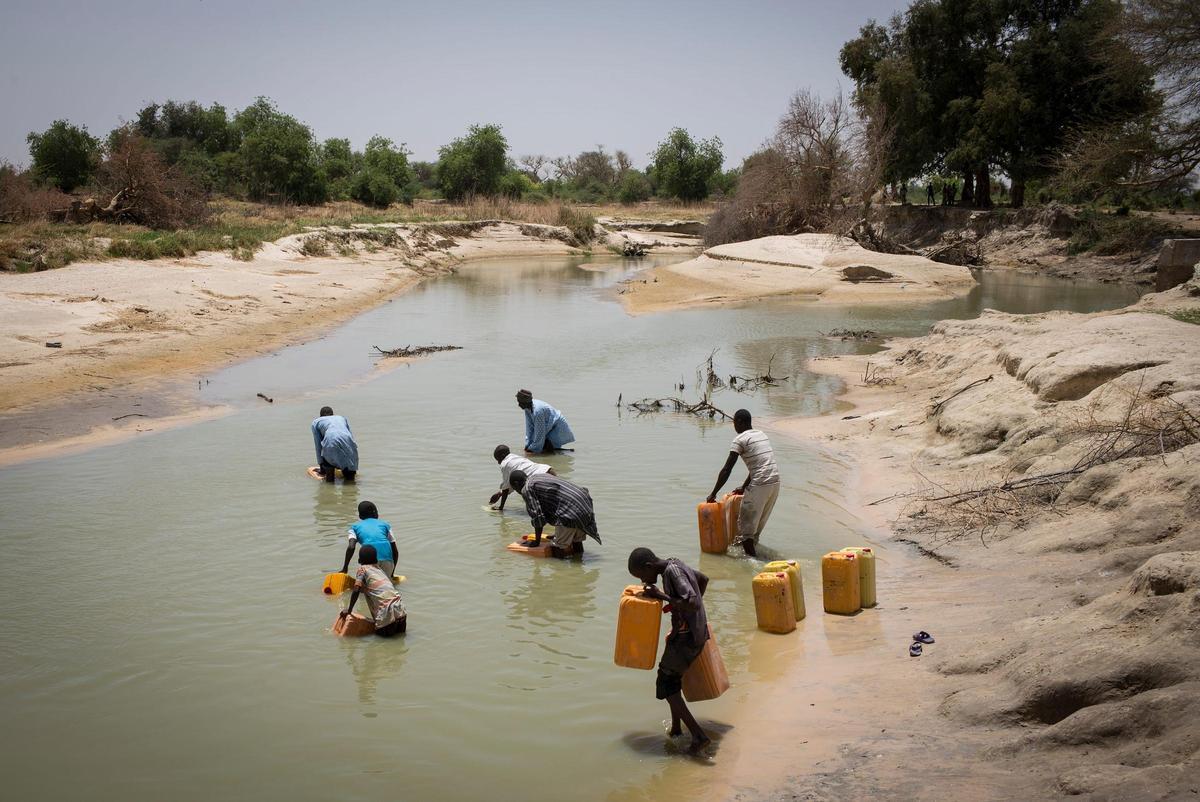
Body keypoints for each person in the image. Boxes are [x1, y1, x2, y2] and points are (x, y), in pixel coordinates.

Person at [627, 547, 711, 752]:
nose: (643, 581)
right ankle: (676, 729)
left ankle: (698, 736)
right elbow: (702, 579)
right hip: (693, 633)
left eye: (642, 576)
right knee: (672, 681)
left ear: (649, 566)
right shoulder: (675, 563)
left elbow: (691, 602)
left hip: (687, 639)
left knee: (665, 683)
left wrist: (661, 596)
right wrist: (684, 620)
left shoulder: (672, 572)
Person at [706, 409, 780, 557]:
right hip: (775, 483)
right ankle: (756, 556)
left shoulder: (739, 440)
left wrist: (713, 493)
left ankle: (754, 565)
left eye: (734, 423)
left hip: (760, 484)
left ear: (739, 422)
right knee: (755, 530)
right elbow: (759, 466)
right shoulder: (761, 435)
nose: (734, 426)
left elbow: (727, 469)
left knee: (746, 533)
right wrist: (744, 487)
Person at [509, 469, 600, 556]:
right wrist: (558, 533)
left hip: (570, 512)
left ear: (516, 484)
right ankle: (580, 566)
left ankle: (560, 571)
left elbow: (537, 517)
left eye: (515, 489)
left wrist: (536, 542)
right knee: (576, 541)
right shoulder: (539, 476)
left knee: (557, 546)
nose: (518, 492)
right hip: (584, 506)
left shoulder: (527, 488)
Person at [339, 545, 407, 637]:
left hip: (386, 613)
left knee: (382, 644)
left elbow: (356, 589)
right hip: (400, 609)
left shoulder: (362, 569)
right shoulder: (379, 570)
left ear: (359, 561)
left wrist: (349, 610)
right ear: (376, 560)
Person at [340, 501, 398, 578]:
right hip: (387, 561)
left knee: (368, 585)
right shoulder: (385, 525)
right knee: (386, 584)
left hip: (368, 561)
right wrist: (392, 573)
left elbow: (351, 547)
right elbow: (395, 551)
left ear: (360, 516)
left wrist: (345, 568)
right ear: (375, 513)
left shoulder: (354, 527)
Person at [489, 444, 555, 511]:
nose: (498, 462)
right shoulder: (516, 457)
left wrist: (501, 507)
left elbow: (506, 488)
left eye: (498, 459)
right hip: (548, 470)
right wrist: (500, 493)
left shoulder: (504, 464)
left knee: (540, 507)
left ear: (502, 456)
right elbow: (511, 483)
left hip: (539, 479)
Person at [516, 389, 574, 454]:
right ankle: (568, 452)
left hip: (557, 427)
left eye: (520, 402)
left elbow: (539, 434)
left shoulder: (538, 411)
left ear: (526, 402)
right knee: (543, 448)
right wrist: (527, 445)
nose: (519, 405)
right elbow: (529, 428)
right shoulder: (527, 408)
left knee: (548, 450)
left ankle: (568, 452)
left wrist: (531, 451)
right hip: (549, 427)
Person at [312, 406, 358, 482]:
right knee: (350, 478)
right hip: (348, 441)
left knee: (329, 479)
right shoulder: (341, 418)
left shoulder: (316, 422)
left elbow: (318, 446)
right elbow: (350, 436)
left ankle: (330, 484)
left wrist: (322, 468)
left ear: (321, 416)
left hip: (331, 439)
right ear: (333, 414)